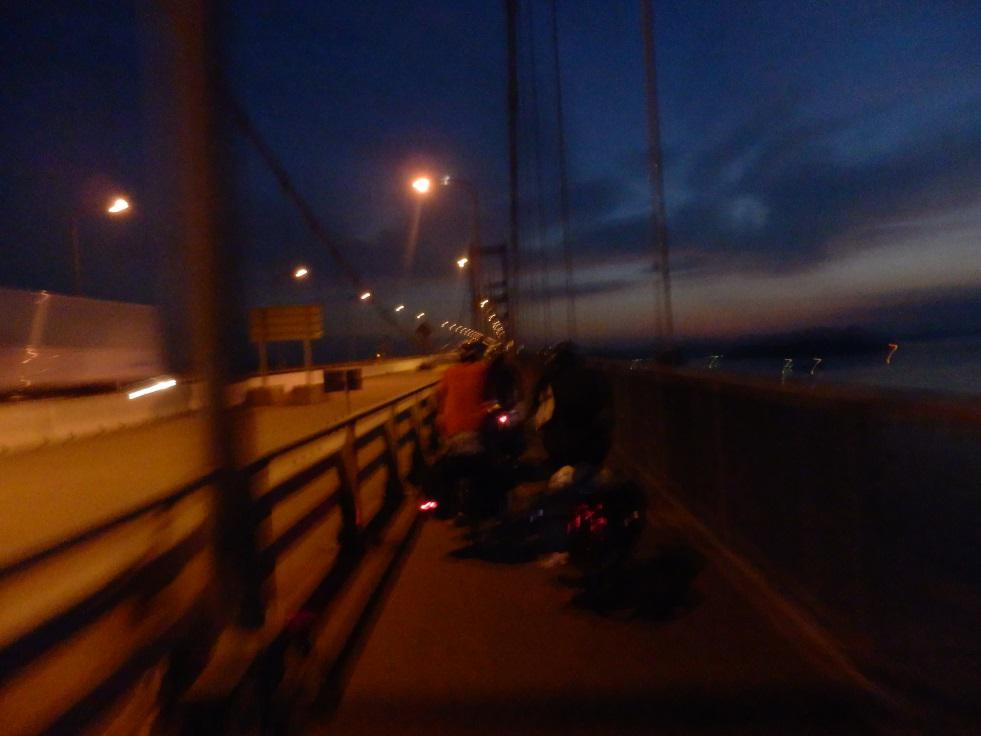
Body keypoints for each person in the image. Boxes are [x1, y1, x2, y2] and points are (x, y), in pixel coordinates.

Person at [430, 340, 491, 517]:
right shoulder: (483, 369)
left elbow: (437, 395)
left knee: (441, 458)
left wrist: (440, 413)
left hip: (451, 430)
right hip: (477, 429)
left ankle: (445, 504)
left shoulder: (449, 372)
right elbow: (491, 394)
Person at [531, 341, 613, 471]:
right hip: (595, 448)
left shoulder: (550, 380)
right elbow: (608, 411)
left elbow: (539, 412)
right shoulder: (596, 377)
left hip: (561, 448)